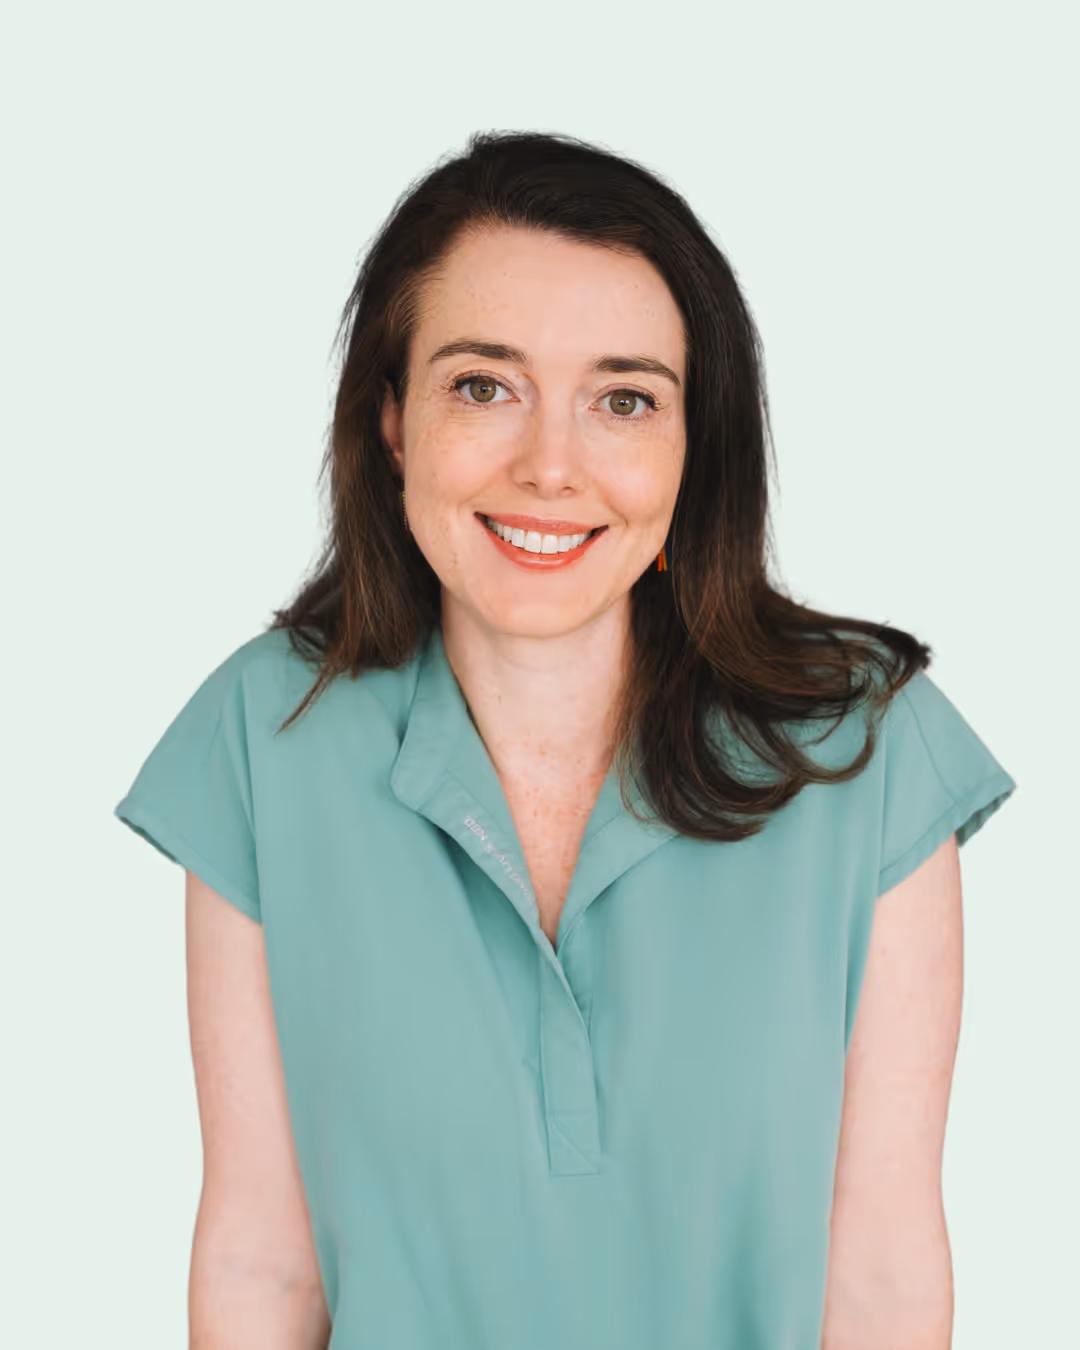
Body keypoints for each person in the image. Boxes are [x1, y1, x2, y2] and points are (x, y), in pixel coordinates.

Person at [114, 130, 1017, 1350]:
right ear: (393, 421)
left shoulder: (868, 748)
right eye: (483, 387)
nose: (550, 467)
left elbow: (882, 1279)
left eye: (623, 400)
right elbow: (263, 1266)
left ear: (694, 447)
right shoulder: (266, 732)